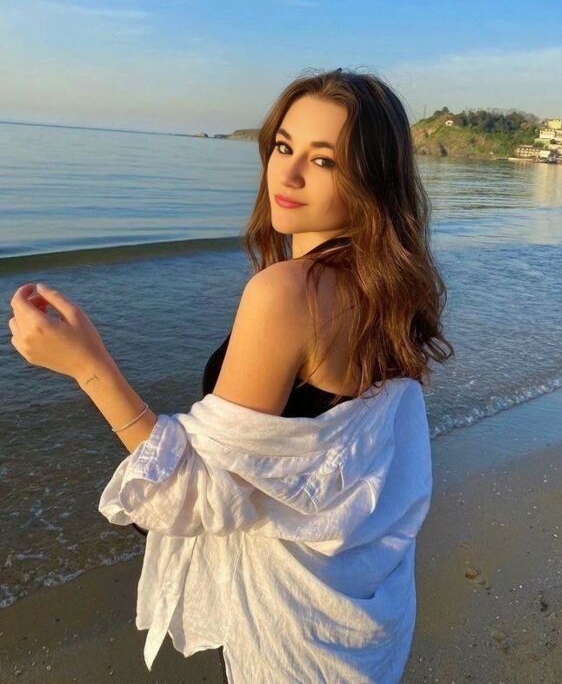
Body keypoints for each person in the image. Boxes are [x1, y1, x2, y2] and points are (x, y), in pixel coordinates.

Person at [8, 67, 454, 683]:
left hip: (291, 633)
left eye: (324, 160)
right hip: (361, 609)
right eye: (284, 147)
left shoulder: (287, 293)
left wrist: (87, 366)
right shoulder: (390, 293)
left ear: (371, 177)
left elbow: (199, 495)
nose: (287, 175)